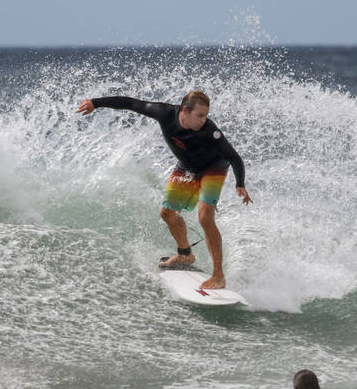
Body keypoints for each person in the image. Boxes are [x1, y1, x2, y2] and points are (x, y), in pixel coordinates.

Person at [76, 91, 252, 290]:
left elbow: (235, 158)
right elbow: (132, 103)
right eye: (200, 115)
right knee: (167, 213)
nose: (204, 120)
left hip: (213, 169)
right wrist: (95, 103)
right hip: (187, 167)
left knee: (205, 217)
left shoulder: (211, 131)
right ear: (185, 110)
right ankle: (185, 256)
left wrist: (240, 184)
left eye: (206, 115)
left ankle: (218, 276)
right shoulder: (164, 113)